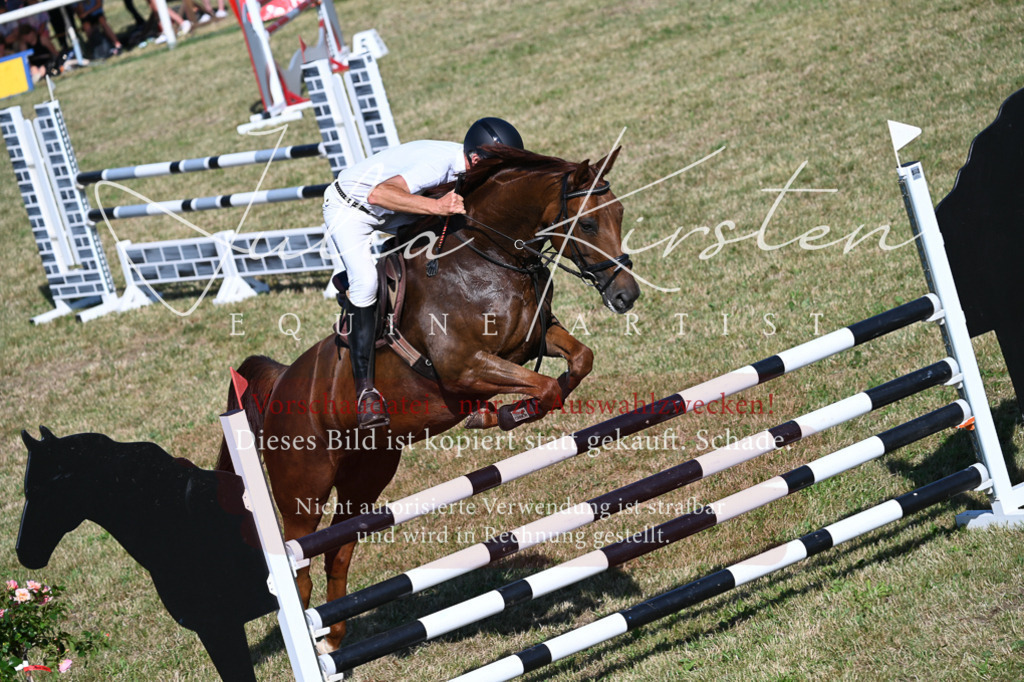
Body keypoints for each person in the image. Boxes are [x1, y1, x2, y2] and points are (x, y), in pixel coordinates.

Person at [323, 117, 524, 429]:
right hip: (352, 208)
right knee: (366, 283)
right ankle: (365, 392)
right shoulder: (437, 164)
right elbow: (379, 195)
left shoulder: (469, 165)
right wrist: (437, 207)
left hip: (390, 209)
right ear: (474, 160)